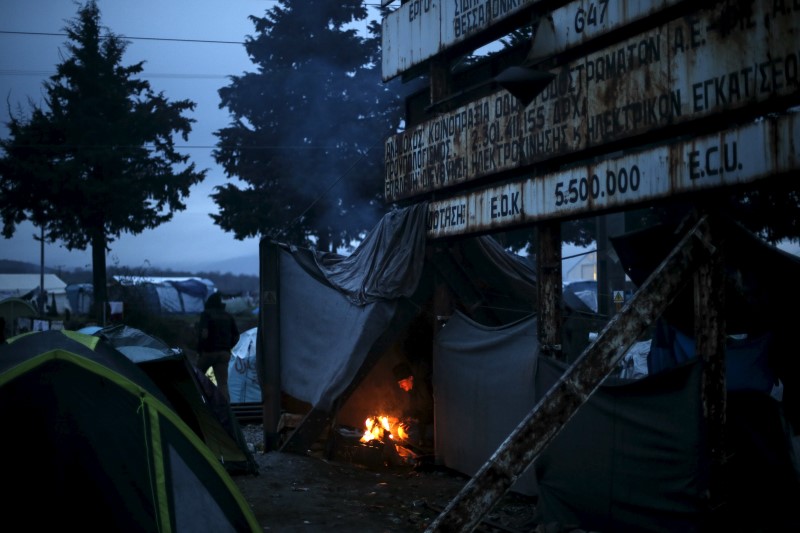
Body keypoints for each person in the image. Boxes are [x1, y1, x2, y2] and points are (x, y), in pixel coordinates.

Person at [196, 292, 239, 402]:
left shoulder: (206, 314)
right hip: (224, 354)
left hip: (208, 352)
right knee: (223, 384)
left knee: (196, 377)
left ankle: (198, 401)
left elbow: (204, 334)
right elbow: (237, 336)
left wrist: (200, 349)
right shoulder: (228, 316)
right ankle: (226, 408)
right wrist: (228, 347)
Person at [392, 361, 434, 451]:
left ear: (410, 378)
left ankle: (427, 449)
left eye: (402, 382)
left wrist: (416, 420)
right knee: (399, 429)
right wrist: (404, 418)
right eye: (399, 383)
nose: (400, 386)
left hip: (432, 425)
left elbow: (430, 411)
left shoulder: (423, 388)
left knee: (408, 433)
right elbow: (414, 411)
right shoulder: (413, 392)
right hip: (422, 424)